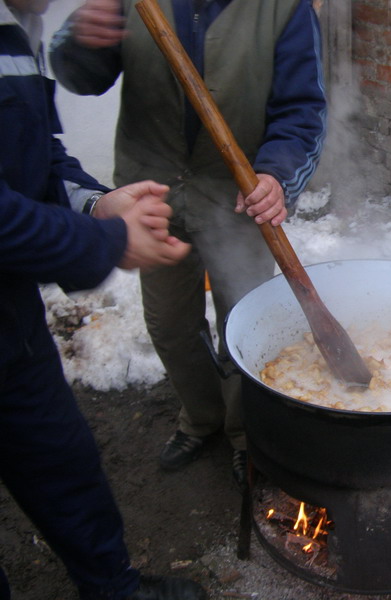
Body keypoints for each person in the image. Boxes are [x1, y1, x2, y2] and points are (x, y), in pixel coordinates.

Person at [49, 0, 327, 489]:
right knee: (170, 323)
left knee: (245, 325)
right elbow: (84, 78)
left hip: (238, 199)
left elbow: (302, 110)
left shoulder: (283, 7)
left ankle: (245, 433)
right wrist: (80, 43)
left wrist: (277, 174)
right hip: (150, 197)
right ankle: (200, 418)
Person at [0, 0, 210, 597]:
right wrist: (109, 241)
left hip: (11, 318)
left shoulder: (17, 25)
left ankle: (113, 590)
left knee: (62, 462)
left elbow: (37, 158)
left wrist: (96, 205)